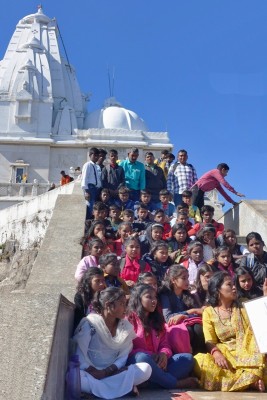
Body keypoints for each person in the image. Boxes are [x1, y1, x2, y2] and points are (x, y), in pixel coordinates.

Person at [72, 287, 152, 398]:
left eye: (126, 303)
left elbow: (123, 356)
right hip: (91, 373)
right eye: (122, 304)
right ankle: (121, 389)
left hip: (112, 373)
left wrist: (106, 372)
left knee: (146, 369)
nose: (126, 308)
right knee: (76, 378)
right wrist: (92, 370)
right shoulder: (90, 324)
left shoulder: (125, 327)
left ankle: (99, 392)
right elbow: (79, 354)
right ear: (108, 305)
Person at [194, 271, 267, 392]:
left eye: (234, 284)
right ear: (218, 290)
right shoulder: (209, 312)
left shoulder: (244, 304)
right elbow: (209, 340)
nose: (234, 287)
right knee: (200, 361)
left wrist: (265, 296)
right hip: (227, 355)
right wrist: (216, 354)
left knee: (255, 334)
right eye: (229, 284)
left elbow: (261, 324)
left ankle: (250, 379)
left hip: (249, 352)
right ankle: (251, 380)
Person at [127, 284, 197, 389]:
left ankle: (151, 383)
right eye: (149, 297)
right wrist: (152, 356)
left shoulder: (157, 320)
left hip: (158, 362)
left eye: (155, 297)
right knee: (142, 358)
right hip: (139, 361)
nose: (154, 300)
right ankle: (173, 383)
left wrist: (163, 354)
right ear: (138, 299)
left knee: (188, 359)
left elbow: (165, 344)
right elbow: (127, 349)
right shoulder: (129, 319)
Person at [159, 265, 205, 355]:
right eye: (183, 278)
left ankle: (201, 357)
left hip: (188, 322)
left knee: (198, 328)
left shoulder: (188, 294)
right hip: (175, 327)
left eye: (187, 278)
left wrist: (185, 315)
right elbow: (168, 318)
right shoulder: (165, 295)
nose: (187, 281)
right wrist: (189, 312)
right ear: (173, 280)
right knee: (188, 331)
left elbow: (197, 312)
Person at [81, 148, 102, 219]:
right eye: (95, 155)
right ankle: (88, 220)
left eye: (98, 155)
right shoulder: (88, 165)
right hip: (89, 188)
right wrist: (86, 191)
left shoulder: (95, 166)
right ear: (90, 155)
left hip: (95, 188)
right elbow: (84, 178)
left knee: (94, 206)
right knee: (90, 205)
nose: (96, 157)